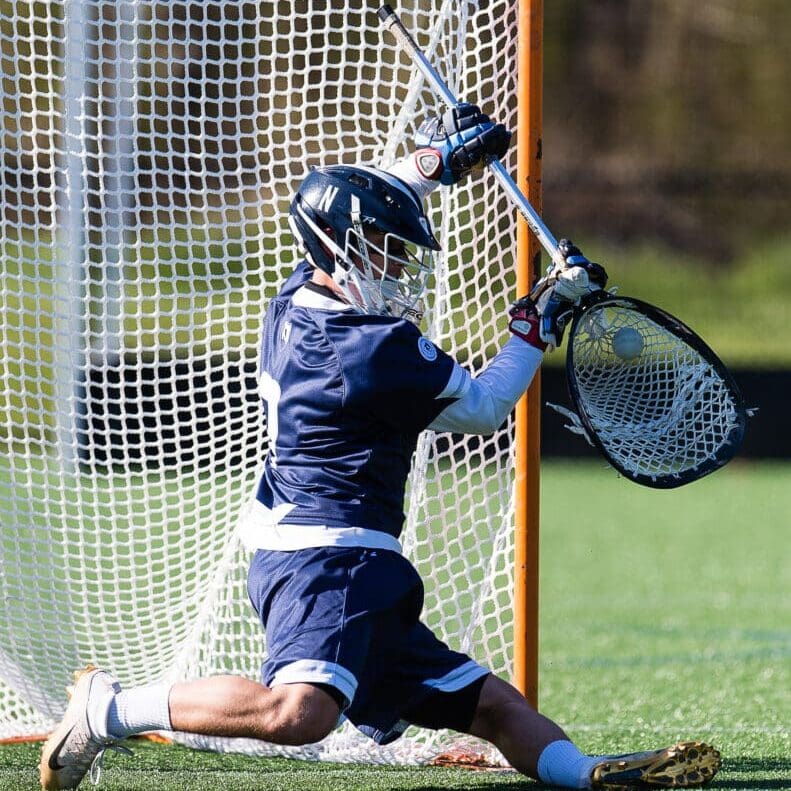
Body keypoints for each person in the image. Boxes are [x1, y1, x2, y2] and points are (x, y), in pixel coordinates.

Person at [40, 104, 721, 790]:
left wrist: (431, 167)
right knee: (299, 712)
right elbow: (484, 408)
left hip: (354, 562)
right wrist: (534, 322)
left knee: (491, 704)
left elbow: (341, 203)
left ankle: (591, 774)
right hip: (324, 558)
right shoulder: (367, 350)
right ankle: (110, 708)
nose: (395, 266)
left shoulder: (296, 301)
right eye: (383, 248)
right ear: (339, 246)